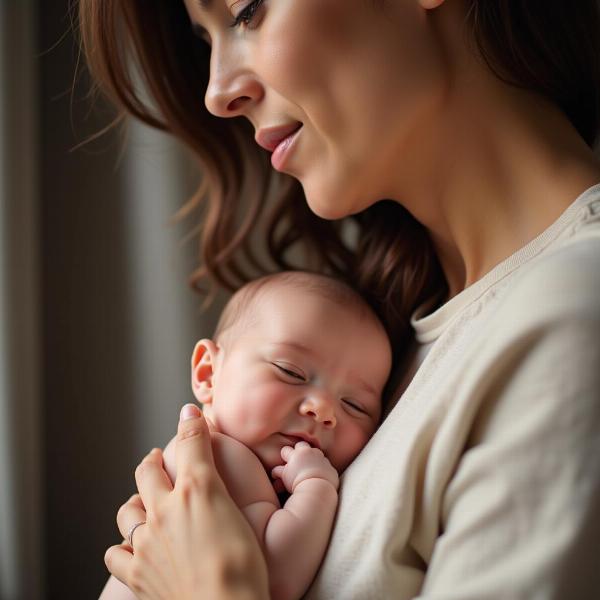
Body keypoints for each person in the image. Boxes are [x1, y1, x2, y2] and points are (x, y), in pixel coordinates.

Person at [78, 0, 600, 597]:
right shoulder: (385, 331)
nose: (217, 93)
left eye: (247, 11)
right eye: (206, 40)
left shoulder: (571, 315)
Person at [99, 271, 392, 600]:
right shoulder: (221, 457)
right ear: (208, 373)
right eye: (290, 371)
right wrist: (316, 488)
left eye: (355, 405)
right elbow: (278, 578)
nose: (324, 410)